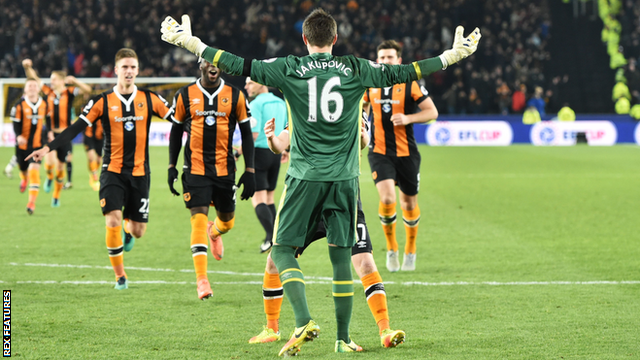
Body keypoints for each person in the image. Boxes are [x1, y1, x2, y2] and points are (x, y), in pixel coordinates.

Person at [161, 9, 479, 356]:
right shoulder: (358, 69)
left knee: (281, 251)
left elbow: (237, 63)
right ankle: (343, 339)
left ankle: (301, 321)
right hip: (345, 180)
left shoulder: (288, 68)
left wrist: (192, 43)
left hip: (305, 178)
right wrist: (452, 56)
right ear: (335, 39)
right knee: (342, 260)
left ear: (304, 39)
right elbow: (406, 71)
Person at [248, 114, 405, 349]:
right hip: (313, 198)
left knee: (365, 263)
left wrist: (361, 136)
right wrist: (272, 139)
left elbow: (364, 140)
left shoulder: (350, 101)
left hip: (343, 195)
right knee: (274, 260)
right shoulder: (307, 100)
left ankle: (385, 330)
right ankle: (272, 328)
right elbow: (283, 141)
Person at [27, 48, 174, 290]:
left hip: (140, 173)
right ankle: (120, 276)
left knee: (137, 231)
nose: (129, 71)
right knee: (113, 219)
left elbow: (179, 119)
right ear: (116, 70)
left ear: (137, 71)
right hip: (112, 171)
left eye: (133, 67)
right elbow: (76, 127)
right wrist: (48, 147)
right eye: (124, 67)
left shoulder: (150, 99)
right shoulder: (102, 101)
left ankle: (129, 231)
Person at [167, 59, 255, 300]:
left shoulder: (235, 96)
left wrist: (250, 171)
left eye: (217, 62)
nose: (214, 66)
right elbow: (175, 132)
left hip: (225, 170)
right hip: (194, 169)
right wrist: (171, 166)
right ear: (201, 66)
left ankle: (214, 232)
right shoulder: (185, 95)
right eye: (209, 62)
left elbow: (246, 134)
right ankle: (202, 280)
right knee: (197, 219)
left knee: (227, 223)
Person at [363, 40, 439, 273]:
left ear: (399, 61)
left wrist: (407, 118)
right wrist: (363, 125)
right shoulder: (369, 84)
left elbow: (432, 112)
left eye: (390, 57)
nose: (385, 61)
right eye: (382, 57)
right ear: (377, 60)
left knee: (408, 203)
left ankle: (411, 249)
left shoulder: (410, 84)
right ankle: (392, 248)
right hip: (379, 152)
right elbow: (362, 108)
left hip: (407, 154)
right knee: (387, 199)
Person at [22, 59, 92, 205]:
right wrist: (28, 67)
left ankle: (56, 196)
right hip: (50, 133)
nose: (51, 81)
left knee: (60, 170)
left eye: (54, 79)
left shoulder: (70, 92)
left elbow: (88, 90)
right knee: (49, 163)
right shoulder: (48, 91)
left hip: (65, 136)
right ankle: (48, 177)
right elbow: (35, 79)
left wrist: (75, 81)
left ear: (61, 81)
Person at [244, 77, 286, 253]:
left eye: (250, 83)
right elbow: (285, 128)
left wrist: (239, 152)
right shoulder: (281, 102)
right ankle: (277, 236)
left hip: (259, 153)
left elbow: (253, 134)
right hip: (275, 153)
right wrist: (286, 149)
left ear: (261, 83)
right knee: (269, 198)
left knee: (258, 199)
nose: (246, 86)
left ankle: (272, 238)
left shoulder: (255, 104)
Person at [11, 78, 48, 214]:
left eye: (34, 85)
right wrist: (18, 136)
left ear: (38, 89)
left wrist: (49, 133)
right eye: (29, 86)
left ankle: (31, 203)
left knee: (34, 171)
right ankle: (23, 178)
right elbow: (15, 124)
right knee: (24, 170)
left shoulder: (44, 104)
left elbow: (48, 120)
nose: (32, 88)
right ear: (25, 89)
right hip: (22, 146)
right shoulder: (19, 105)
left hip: (37, 145)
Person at [83, 116, 104, 191]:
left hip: (100, 136)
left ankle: (92, 174)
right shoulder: (86, 107)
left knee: (98, 159)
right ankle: (95, 178)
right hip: (89, 135)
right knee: (91, 157)